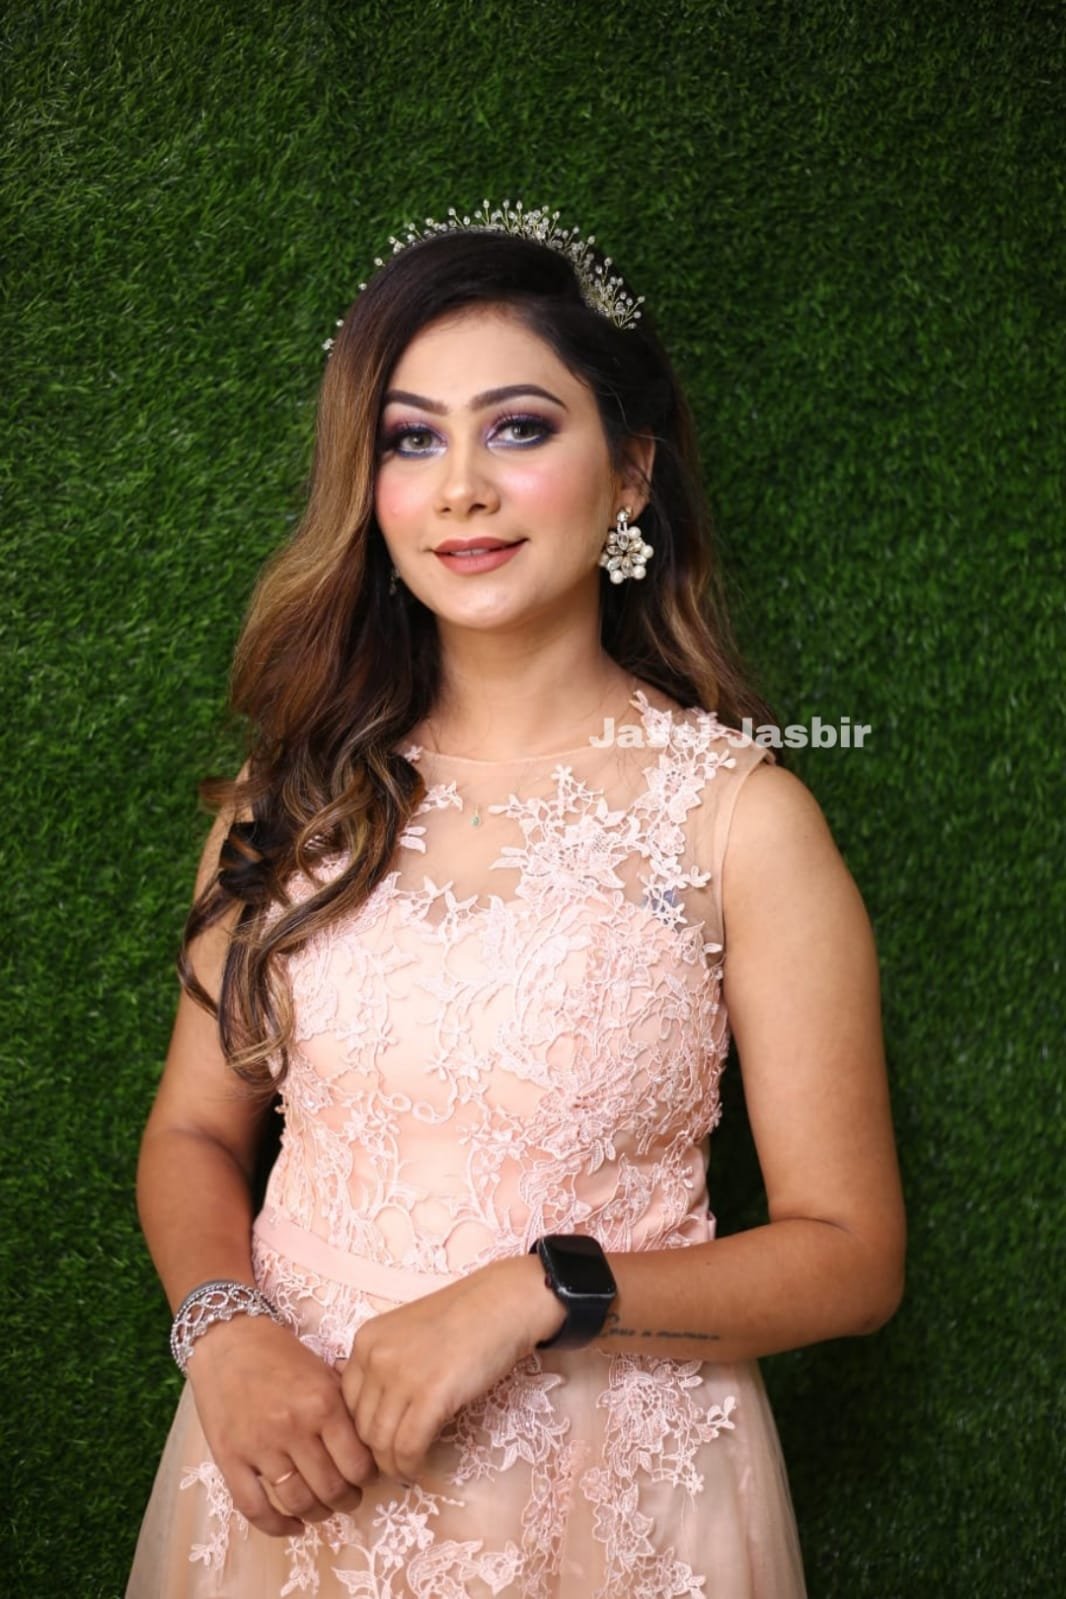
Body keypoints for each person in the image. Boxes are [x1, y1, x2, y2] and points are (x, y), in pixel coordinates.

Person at [126, 202, 906, 1598]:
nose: (462, 490)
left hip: (613, 1505)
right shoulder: (289, 801)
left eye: (520, 428)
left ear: (630, 473)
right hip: (291, 1480)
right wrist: (224, 1332)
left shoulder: (740, 821)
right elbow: (193, 1128)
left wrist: (540, 1291)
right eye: (412, 439)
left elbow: (849, 1259)